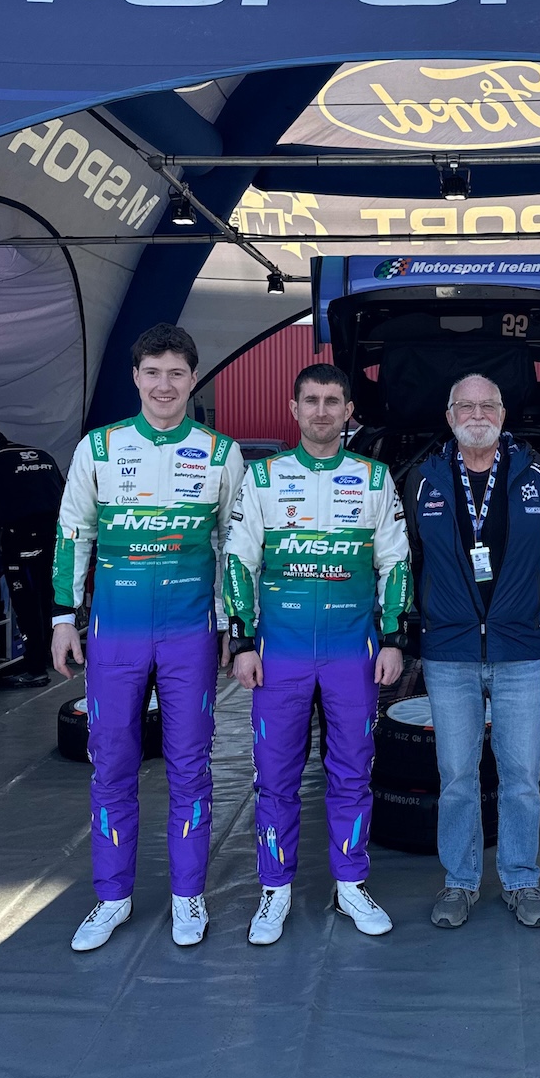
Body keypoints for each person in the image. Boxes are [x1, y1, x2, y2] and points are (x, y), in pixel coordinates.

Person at [52, 323, 245, 953]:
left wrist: (231, 624)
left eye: (176, 373)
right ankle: (112, 897)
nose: (165, 385)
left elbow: (233, 545)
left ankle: (188, 896)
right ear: (135, 377)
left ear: (194, 379)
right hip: (116, 634)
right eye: (153, 372)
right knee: (111, 764)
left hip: (191, 635)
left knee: (191, 767)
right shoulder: (100, 447)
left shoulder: (221, 453)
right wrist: (62, 619)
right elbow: (73, 531)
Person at [224, 363, 410, 944]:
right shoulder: (263, 476)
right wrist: (242, 641)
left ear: (349, 411)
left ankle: (350, 884)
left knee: (353, 772)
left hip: (352, 652)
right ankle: (274, 890)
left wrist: (394, 638)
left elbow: (395, 562)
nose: (322, 411)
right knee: (274, 776)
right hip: (279, 652)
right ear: (294, 408)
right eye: (311, 400)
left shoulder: (374, 478)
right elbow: (239, 560)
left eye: (333, 401)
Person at [404, 374, 540, 929]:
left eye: (488, 405)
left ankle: (521, 879)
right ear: (449, 416)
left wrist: (530, 604)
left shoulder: (538, 474)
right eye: (466, 406)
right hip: (449, 650)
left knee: (521, 774)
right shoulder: (424, 479)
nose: (477, 414)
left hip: (520, 650)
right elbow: (409, 557)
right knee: (456, 775)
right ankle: (460, 881)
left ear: (502, 414)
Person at [0, 427, 64, 688]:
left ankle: (35, 669)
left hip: (21, 538)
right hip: (54, 535)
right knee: (47, 597)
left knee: (26, 602)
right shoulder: (42, 454)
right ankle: (50, 655)